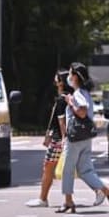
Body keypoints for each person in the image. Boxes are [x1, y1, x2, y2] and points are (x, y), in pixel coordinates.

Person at [57, 63, 109, 213]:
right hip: (85, 137)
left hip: (76, 137)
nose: (69, 77)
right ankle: (108, 192)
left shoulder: (78, 94)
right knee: (84, 170)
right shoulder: (84, 92)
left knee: (68, 169)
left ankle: (68, 201)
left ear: (76, 77)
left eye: (71, 74)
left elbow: (82, 112)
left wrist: (70, 102)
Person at [26, 70, 73, 208]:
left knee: (48, 167)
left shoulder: (61, 99)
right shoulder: (69, 97)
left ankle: (43, 198)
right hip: (63, 138)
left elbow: (61, 121)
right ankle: (103, 191)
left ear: (61, 82)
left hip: (59, 139)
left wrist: (63, 138)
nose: (54, 82)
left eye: (57, 79)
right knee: (81, 170)